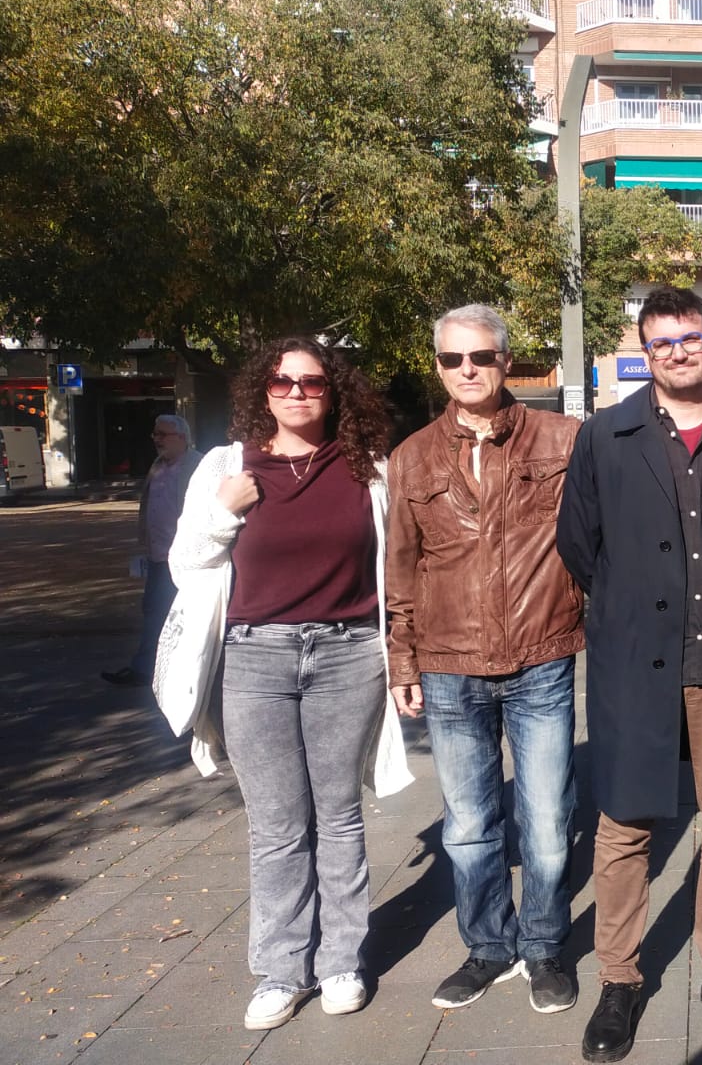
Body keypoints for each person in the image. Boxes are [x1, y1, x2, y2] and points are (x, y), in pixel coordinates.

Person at [557, 287, 702, 1063]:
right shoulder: (605, 435)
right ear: (644, 352)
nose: (679, 352)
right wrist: (628, 614)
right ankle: (620, 979)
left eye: (690, 337)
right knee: (626, 824)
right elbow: (578, 544)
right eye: (662, 344)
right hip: (638, 661)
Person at [164, 336, 411, 1030]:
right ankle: (280, 971)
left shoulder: (369, 469)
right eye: (282, 381)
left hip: (347, 655)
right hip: (253, 659)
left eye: (311, 383)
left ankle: (339, 962)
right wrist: (223, 509)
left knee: (337, 818)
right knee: (277, 826)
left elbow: (395, 569)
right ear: (261, 390)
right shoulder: (225, 465)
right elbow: (185, 563)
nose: (297, 393)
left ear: (333, 392)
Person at [386, 304, 585, 1015]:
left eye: (480, 357)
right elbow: (401, 569)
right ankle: (488, 948)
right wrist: (402, 662)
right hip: (449, 665)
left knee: (548, 822)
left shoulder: (564, 439)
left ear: (506, 361)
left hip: (542, 658)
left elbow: (600, 540)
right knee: (468, 825)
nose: (467, 370)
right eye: (451, 360)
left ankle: (543, 948)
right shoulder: (410, 457)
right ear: (436, 366)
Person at [103, 414, 201, 687]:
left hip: (188, 558)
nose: (156, 440)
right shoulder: (158, 465)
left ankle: (164, 671)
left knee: (178, 613)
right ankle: (149, 669)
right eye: (155, 434)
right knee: (154, 611)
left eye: (162, 434)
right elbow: (149, 505)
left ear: (181, 438)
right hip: (159, 556)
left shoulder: (198, 465)